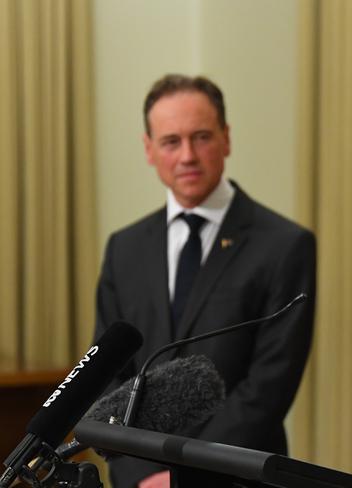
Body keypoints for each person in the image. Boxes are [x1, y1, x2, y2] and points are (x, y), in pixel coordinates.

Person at [94, 74, 316, 488]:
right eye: (171, 141)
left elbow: (268, 387)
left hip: (236, 478)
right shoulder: (124, 249)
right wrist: (140, 474)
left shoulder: (285, 245)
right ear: (149, 149)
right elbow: (109, 374)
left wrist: (182, 477)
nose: (188, 156)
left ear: (226, 139)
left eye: (201, 137)